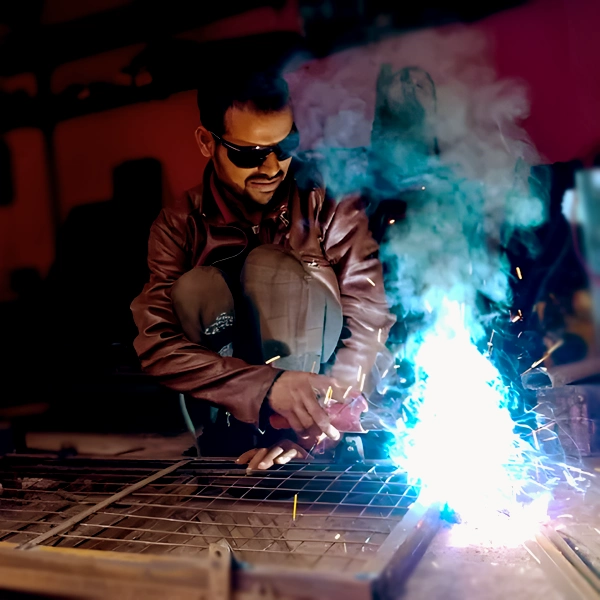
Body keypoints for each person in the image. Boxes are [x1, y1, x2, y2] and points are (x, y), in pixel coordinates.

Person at [131, 68, 394, 470]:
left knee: (272, 268)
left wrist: (320, 422)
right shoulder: (178, 225)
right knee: (198, 287)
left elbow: (368, 315)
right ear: (206, 142)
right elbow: (156, 343)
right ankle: (236, 436)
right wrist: (266, 388)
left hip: (320, 403)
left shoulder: (327, 201)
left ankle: (298, 432)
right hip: (232, 408)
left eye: (284, 146)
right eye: (249, 154)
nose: (271, 168)